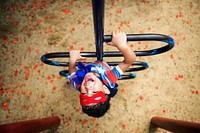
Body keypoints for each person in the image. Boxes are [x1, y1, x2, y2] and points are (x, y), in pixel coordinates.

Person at [68, 31, 136, 117]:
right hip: (103, 68)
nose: (87, 87)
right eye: (94, 92)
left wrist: (72, 60)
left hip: (89, 67)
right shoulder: (108, 78)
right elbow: (129, 61)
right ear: (105, 89)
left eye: (84, 93)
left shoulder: (78, 83)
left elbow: (72, 72)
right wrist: (121, 45)